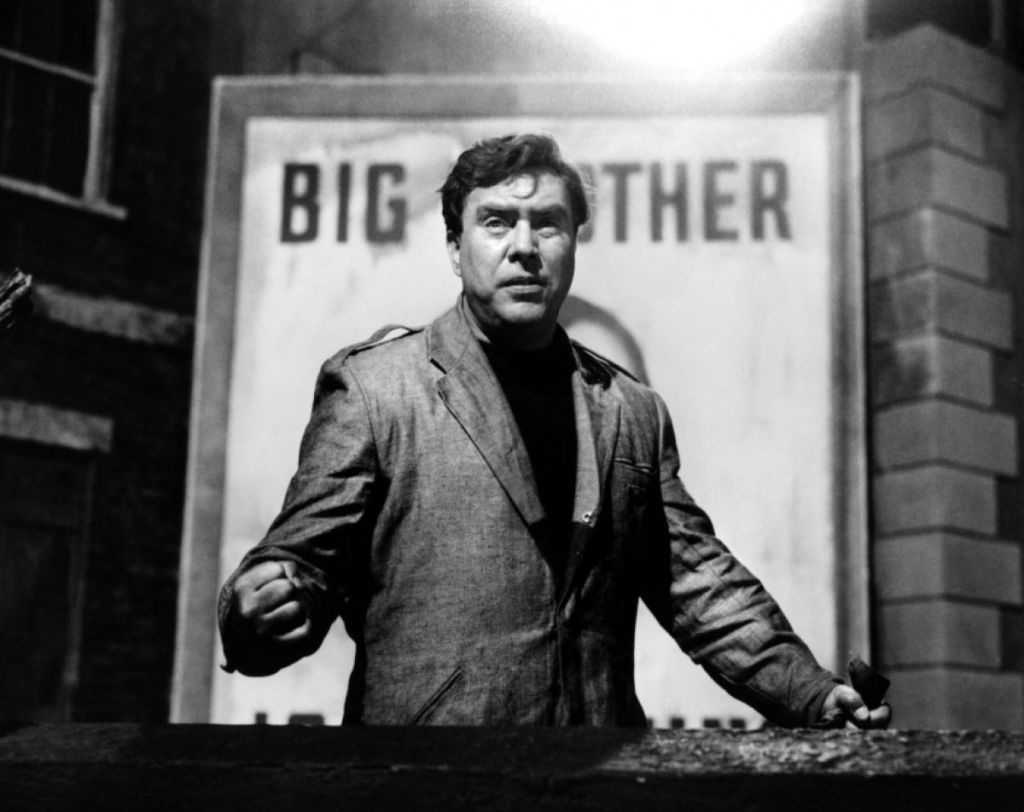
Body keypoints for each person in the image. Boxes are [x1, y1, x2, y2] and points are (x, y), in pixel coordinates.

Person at [219, 133, 891, 729]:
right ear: (454, 248)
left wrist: (810, 693)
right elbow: (300, 566)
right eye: (496, 222)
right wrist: (258, 608)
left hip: (595, 781)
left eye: (547, 224)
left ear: (573, 243)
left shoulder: (630, 409)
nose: (524, 247)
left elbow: (699, 584)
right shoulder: (375, 389)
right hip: (427, 785)